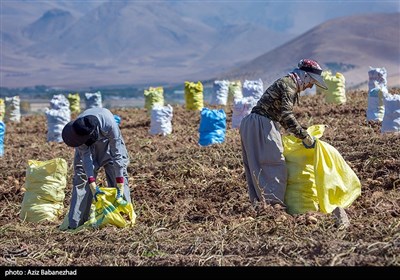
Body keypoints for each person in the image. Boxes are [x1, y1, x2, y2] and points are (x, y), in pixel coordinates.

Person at [239, 58, 349, 227]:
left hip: (252, 124)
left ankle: (261, 207)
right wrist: (304, 136)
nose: (311, 87)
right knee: (274, 165)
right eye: (311, 82)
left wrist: (294, 133)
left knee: (256, 166)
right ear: (305, 76)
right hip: (261, 124)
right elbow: (286, 115)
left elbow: (282, 116)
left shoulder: (286, 83)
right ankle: (273, 210)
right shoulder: (289, 86)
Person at [61, 107, 131, 229]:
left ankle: (124, 219)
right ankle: (76, 223)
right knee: (81, 178)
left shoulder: (109, 124)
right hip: (87, 143)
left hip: (108, 142)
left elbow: (117, 153)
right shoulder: (78, 130)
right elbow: (86, 158)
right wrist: (92, 182)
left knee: (117, 172)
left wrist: (120, 182)